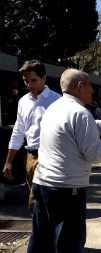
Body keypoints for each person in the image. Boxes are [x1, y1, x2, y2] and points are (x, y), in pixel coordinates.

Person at [27, 69, 101, 253]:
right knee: (69, 245)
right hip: (66, 190)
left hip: (41, 184)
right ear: (80, 86)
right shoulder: (80, 113)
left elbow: (78, 128)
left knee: (40, 240)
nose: (93, 91)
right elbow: (95, 154)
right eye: (90, 86)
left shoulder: (54, 107)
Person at [2, 60, 61, 215]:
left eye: (33, 80)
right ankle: (43, 236)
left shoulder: (58, 101)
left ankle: (46, 237)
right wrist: (9, 161)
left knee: (42, 200)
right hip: (30, 157)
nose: (29, 85)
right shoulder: (23, 102)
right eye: (26, 81)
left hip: (51, 157)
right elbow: (18, 132)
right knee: (36, 200)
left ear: (44, 78)